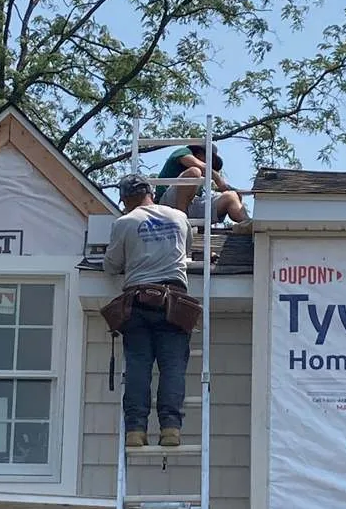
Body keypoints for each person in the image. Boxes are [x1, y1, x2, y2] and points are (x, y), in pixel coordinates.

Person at [103, 173, 194, 448]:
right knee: (173, 367)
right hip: (173, 302)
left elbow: (111, 266)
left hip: (138, 302)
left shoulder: (125, 223)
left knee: (138, 368)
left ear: (125, 200)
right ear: (150, 193)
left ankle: (135, 430)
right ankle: (170, 428)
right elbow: (186, 252)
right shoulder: (179, 217)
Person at [155, 141, 252, 233]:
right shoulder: (184, 151)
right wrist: (218, 179)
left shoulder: (201, 178)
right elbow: (195, 164)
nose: (210, 165)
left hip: (190, 205)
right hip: (167, 205)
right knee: (194, 172)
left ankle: (248, 224)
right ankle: (182, 222)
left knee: (231, 196)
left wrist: (233, 194)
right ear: (199, 153)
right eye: (210, 160)